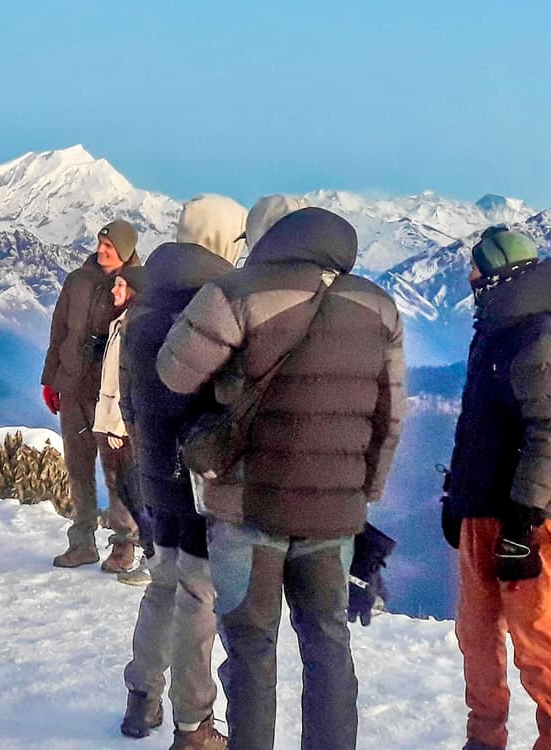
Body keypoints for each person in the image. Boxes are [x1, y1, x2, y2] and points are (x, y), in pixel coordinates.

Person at [156, 206, 404, 750]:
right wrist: (364, 494)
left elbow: (174, 372)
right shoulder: (378, 306)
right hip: (333, 516)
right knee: (328, 644)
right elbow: (390, 417)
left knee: (250, 649)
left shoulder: (235, 291)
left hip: (248, 507)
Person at [442, 229, 551, 750]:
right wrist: (456, 498)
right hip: (481, 511)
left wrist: (524, 520)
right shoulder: (496, 332)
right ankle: (484, 741)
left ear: (499, 273)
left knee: (537, 644)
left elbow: (550, 435)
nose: (470, 278)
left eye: (476, 269)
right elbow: (475, 426)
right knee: (476, 640)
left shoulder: (541, 337)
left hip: (530, 522)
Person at [116, 196, 245, 749]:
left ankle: (141, 695)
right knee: (198, 593)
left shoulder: (145, 303)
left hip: (155, 468)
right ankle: (194, 725)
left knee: (165, 581)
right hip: (198, 472)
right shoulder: (211, 304)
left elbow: (127, 399)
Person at [42, 219, 142, 569]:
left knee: (117, 473)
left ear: (126, 251)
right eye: (100, 245)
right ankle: (82, 541)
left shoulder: (136, 287)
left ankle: (123, 546)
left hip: (111, 397)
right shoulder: (77, 281)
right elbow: (59, 333)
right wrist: (50, 379)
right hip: (72, 388)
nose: (101, 251)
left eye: (109, 248)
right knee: (78, 467)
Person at [93, 267, 148, 578]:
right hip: (111, 420)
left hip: (119, 424)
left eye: (120, 285)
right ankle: (127, 548)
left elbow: (125, 379)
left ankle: (129, 550)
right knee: (119, 485)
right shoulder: (120, 323)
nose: (114, 291)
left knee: (126, 486)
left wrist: (117, 424)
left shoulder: (132, 327)